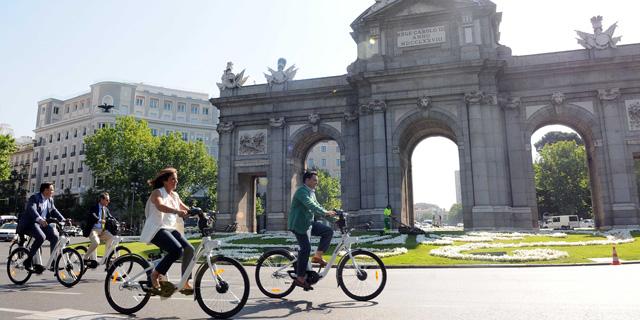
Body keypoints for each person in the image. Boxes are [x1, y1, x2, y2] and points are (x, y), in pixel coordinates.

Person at [139, 167, 194, 295]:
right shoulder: (157, 193)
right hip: (156, 229)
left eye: (176, 179)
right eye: (173, 179)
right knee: (176, 250)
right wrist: (177, 211)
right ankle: (155, 275)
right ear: (165, 181)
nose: (176, 181)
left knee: (189, 249)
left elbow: (186, 209)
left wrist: (200, 213)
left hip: (170, 229)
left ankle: (185, 281)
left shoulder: (175, 195)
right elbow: (160, 206)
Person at [287, 171, 336, 290]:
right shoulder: (301, 192)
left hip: (308, 223)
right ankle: (300, 277)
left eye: (317, 181)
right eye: (315, 180)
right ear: (307, 180)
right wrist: (325, 212)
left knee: (328, 231)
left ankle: (317, 256)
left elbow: (318, 207)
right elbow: (310, 205)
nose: (317, 183)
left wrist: (335, 220)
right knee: (306, 248)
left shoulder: (312, 193)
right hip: (299, 225)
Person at [16, 182, 65, 272]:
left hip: (42, 224)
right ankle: (28, 260)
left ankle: (53, 263)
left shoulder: (50, 199)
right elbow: (32, 209)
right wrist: (40, 219)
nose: (53, 191)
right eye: (51, 189)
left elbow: (54, 210)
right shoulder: (35, 197)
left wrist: (63, 219)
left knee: (55, 236)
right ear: (45, 190)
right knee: (41, 237)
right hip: (31, 223)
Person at [81, 192, 114, 267]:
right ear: (101, 199)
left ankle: (106, 257)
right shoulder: (94, 207)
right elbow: (92, 216)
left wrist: (118, 223)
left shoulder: (106, 209)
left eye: (108, 200)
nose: (108, 202)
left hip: (102, 231)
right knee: (96, 242)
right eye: (107, 200)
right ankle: (85, 258)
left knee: (111, 238)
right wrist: (99, 220)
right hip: (93, 230)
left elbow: (111, 217)